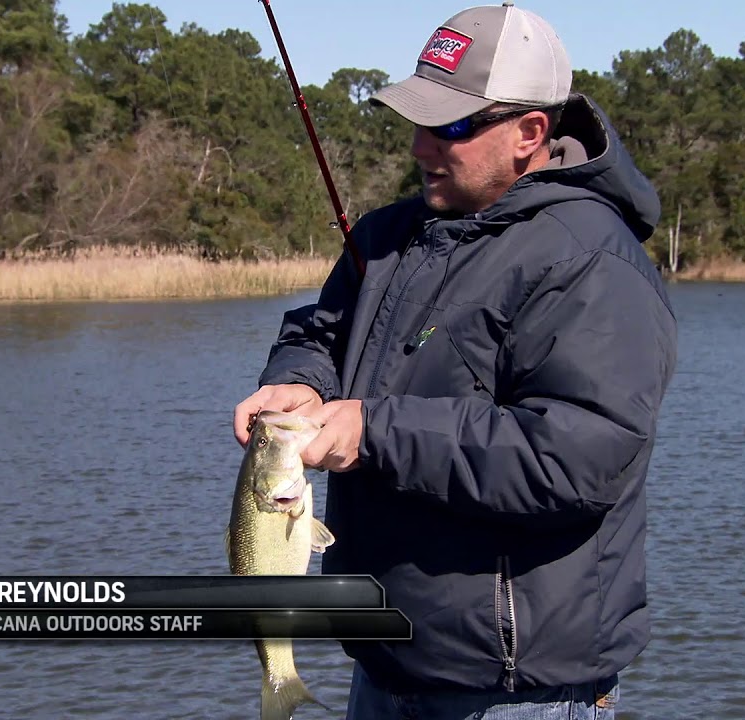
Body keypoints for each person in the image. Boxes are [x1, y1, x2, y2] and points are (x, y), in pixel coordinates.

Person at [234, 2, 677, 717]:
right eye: (418, 121)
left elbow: (577, 457)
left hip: (515, 693)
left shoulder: (592, 260)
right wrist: (297, 382)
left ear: (531, 132)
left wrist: (376, 431)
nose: (421, 146)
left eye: (453, 126)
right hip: (384, 665)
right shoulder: (390, 236)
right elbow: (321, 332)